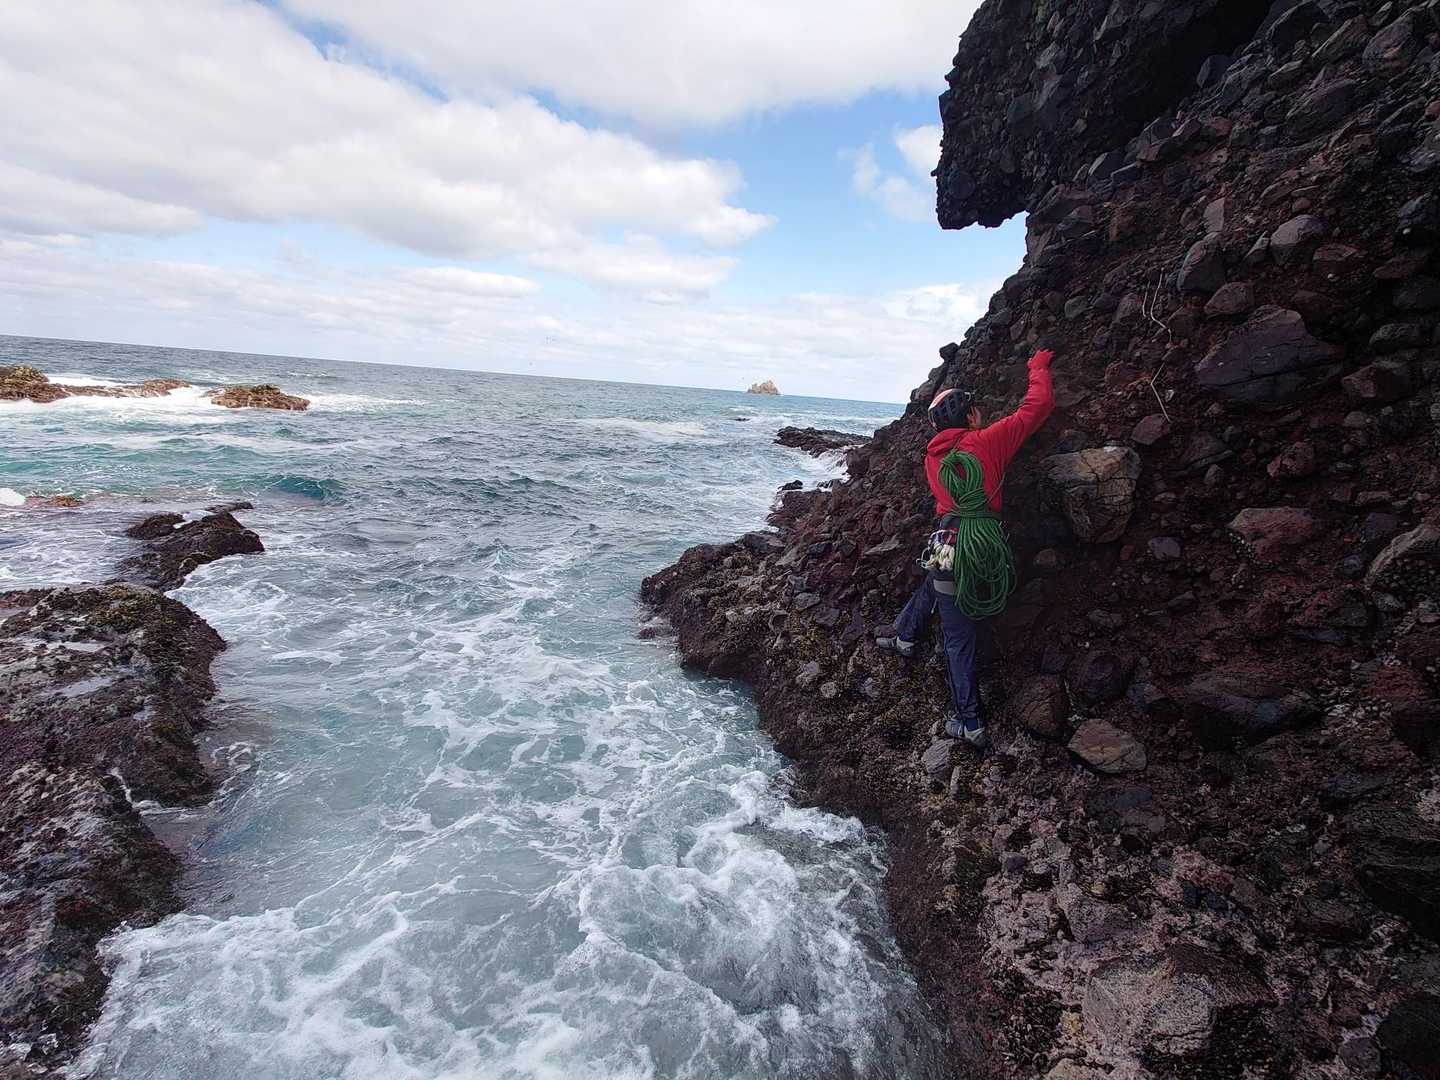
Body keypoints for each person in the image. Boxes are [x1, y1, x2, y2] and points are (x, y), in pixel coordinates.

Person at [875, 346, 1057, 749]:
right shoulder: (988, 441)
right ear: (972, 416)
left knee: (936, 579)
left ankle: (903, 635)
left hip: (946, 540)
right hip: (977, 544)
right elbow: (1037, 406)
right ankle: (969, 721)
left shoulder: (932, 457)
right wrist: (1037, 366)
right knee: (959, 637)